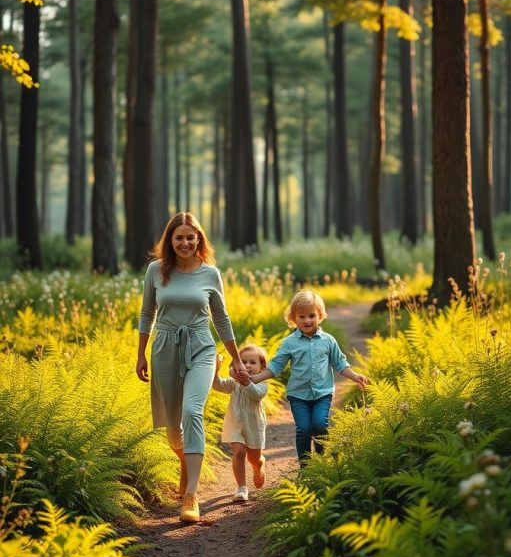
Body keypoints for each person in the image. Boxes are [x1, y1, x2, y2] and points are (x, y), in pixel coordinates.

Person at [136, 212, 246, 523]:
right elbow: (147, 314)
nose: (185, 242)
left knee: (192, 411)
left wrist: (236, 357)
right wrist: (140, 354)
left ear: (198, 238)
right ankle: (186, 461)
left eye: (190, 236)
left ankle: (191, 495)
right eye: (179, 237)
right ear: (170, 241)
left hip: (201, 346)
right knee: (174, 430)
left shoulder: (210, 273)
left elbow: (221, 319)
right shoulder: (156, 271)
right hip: (165, 347)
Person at [246, 289, 368, 463]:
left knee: (320, 425)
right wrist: (255, 379)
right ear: (293, 318)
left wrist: (355, 376)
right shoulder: (289, 343)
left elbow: (339, 363)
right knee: (303, 429)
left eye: (311, 315)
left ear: (320, 315)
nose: (307, 320)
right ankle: (305, 466)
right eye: (301, 316)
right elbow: (276, 365)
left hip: (322, 394)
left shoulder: (328, 341)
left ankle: (321, 460)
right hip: (298, 395)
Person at [212, 344, 268, 503]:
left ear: (261, 368)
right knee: (239, 453)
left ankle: (259, 465)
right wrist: (216, 369)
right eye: (243, 362)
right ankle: (242, 487)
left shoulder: (262, 383)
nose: (247, 365)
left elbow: (257, 395)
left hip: (253, 425)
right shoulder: (233, 382)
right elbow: (217, 385)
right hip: (235, 423)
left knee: (253, 458)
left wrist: (245, 382)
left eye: (252, 362)